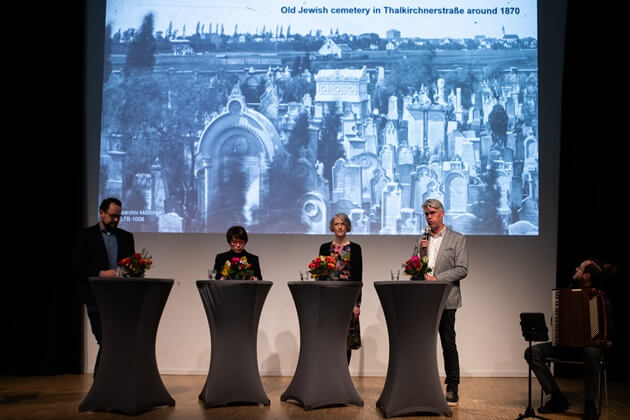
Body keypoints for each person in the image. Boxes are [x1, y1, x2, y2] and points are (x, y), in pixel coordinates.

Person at [524, 259, 616, 420]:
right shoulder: (567, 293)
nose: (576, 269)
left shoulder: (599, 297)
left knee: (592, 354)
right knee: (532, 352)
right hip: (564, 346)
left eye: (579, 268)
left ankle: (589, 404)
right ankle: (557, 397)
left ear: (586, 276)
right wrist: (556, 321)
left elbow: (609, 333)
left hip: (588, 349)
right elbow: (556, 320)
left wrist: (604, 340)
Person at [412, 199, 468, 406]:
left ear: (442, 214)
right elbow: (412, 266)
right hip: (425, 299)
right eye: (426, 214)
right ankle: (422, 384)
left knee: (448, 343)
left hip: (446, 298)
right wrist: (420, 253)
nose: (429, 217)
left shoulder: (457, 239)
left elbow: (462, 269)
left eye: (432, 213)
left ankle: (452, 388)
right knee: (423, 343)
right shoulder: (422, 239)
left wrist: (438, 278)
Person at [71, 197, 135, 377]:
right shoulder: (86, 235)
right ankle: (102, 382)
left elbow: (131, 265)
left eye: (119, 217)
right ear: (101, 213)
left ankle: (105, 383)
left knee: (114, 340)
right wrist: (100, 273)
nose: (115, 220)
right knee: (106, 340)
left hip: (119, 299)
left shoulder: (126, 237)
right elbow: (76, 266)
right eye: (112, 216)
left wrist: (131, 272)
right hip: (95, 297)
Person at [318, 213, 363, 364]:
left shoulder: (355, 248)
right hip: (329, 299)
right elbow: (321, 276)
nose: (340, 227)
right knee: (329, 338)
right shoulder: (325, 248)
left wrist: (357, 304)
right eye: (337, 224)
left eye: (343, 224)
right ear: (332, 227)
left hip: (348, 299)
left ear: (347, 226)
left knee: (346, 340)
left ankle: (344, 375)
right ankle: (331, 375)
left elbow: (358, 278)